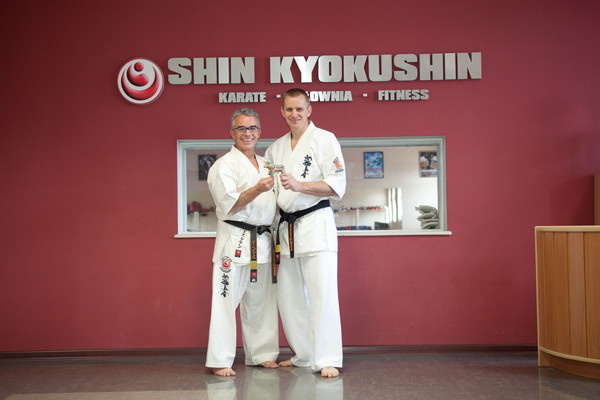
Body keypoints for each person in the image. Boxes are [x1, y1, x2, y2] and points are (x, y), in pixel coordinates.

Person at [265, 88, 346, 378]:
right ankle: (304, 354)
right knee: (290, 298)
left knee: (322, 294)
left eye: (299, 109)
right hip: (285, 229)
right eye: (289, 109)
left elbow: (337, 185)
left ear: (309, 110)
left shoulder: (325, 139)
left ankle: (327, 357)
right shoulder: (275, 149)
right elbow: (271, 191)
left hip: (315, 224)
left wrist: (300, 186)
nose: (294, 114)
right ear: (282, 112)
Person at [205, 108, 279, 376]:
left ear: (260, 132)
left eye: (252, 128)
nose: (248, 133)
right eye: (241, 128)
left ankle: (261, 354)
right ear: (232, 133)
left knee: (262, 301)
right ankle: (220, 360)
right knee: (225, 300)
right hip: (234, 240)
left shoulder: (268, 164)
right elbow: (229, 205)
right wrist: (257, 188)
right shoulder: (223, 166)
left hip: (263, 239)